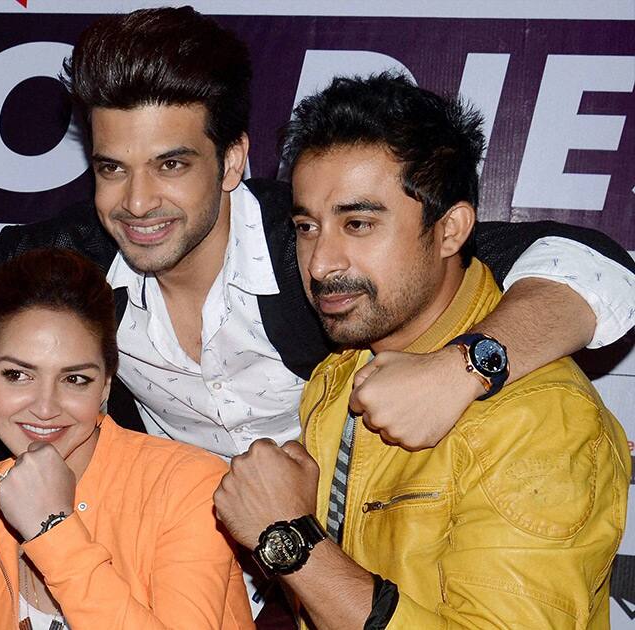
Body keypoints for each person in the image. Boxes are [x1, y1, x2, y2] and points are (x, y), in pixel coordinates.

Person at [0, 7, 635, 463]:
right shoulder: (79, 255)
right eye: (113, 167)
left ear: (232, 160)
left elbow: (593, 266)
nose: (137, 202)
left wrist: (464, 367)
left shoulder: (309, 243)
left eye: (172, 165)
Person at [214, 73, 630, 628]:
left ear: (451, 230)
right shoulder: (341, 373)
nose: (319, 263)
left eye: (358, 223)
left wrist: (290, 540)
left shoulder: (539, 418)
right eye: (308, 226)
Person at [0, 248, 254, 630]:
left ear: (105, 387)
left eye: (75, 379)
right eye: (18, 375)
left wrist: (52, 530)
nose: (45, 407)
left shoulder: (187, 487)